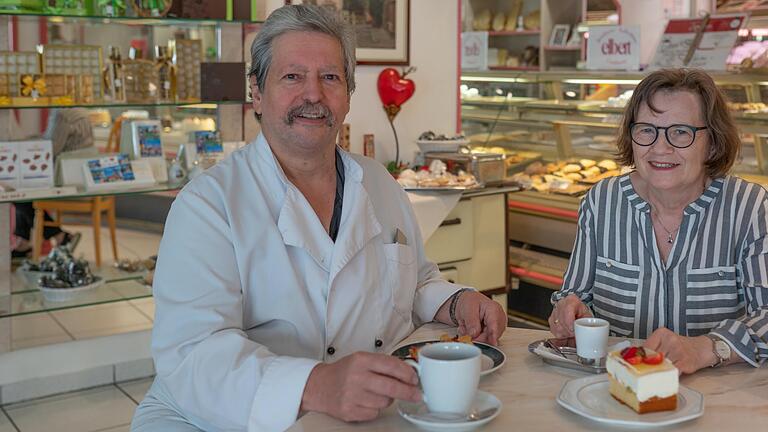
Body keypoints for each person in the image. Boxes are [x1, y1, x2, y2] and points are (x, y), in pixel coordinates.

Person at [131, 5, 506, 432]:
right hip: (212, 419)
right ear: (256, 91)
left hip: (359, 414)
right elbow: (193, 352)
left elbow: (413, 281)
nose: (313, 95)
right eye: (292, 77)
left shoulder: (380, 184)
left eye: (330, 78)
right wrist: (313, 385)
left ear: (347, 94)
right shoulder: (208, 205)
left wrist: (454, 301)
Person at [549, 69, 768, 374]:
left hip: (716, 393)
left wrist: (705, 348)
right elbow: (574, 295)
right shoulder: (602, 201)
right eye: (646, 130)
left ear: (713, 143)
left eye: (681, 132)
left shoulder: (750, 207)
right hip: (617, 386)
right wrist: (570, 309)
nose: (660, 148)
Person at [11, 108, 92, 257]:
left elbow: (50, 149)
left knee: (17, 190)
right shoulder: (80, 110)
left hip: (65, 179)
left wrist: (25, 144)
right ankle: (25, 241)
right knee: (21, 188)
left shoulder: (62, 114)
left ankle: (58, 235)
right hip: (81, 176)